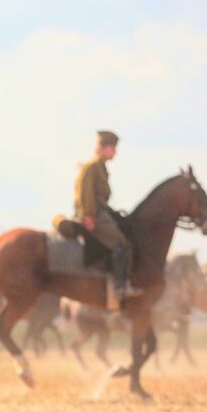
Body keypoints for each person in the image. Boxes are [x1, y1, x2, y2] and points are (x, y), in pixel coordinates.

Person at [74, 130, 141, 310]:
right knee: (120, 243)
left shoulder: (101, 167)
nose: (115, 153)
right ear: (104, 148)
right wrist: (88, 215)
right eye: (113, 148)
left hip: (101, 212)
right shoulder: (92, 166)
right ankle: (119, 287)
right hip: (94, 215)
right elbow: (84, 192)